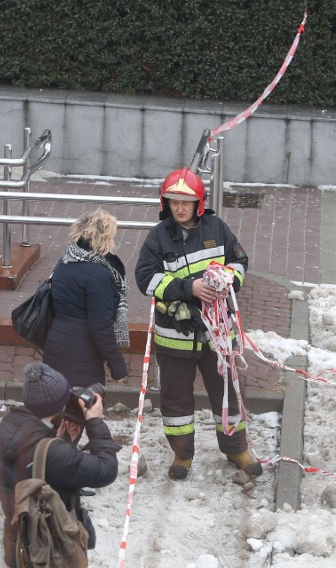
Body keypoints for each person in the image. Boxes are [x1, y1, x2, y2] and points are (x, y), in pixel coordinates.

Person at [134, 167, 263, 480]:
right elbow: (145, 278)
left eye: (186, 202)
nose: (180, 208)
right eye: (174, 201)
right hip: (174, 336)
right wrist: (188, 287)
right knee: (175, 397)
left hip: (216, 337)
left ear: (198, 204)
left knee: (227, 392)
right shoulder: (158, 237)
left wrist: (228, 281)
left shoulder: (216, 228)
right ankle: (182, 455)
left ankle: (237, 449)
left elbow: (239, 261)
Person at [0, 362, 120, 567]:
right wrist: (95, 421)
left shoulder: (8, 427)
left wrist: (61, 439)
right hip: (50, 549)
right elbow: (106, 470)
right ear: (56, 406)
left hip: (20, 542)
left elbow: (39, 470)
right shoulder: (54, 454)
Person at [42, 209, 130, 388]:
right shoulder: (99, 275)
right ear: (104, 239)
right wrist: (117, 366)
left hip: (55, 347)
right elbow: (101, 326)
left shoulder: (66, 261)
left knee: (57, 409)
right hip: (82, 356)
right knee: (83, 412)